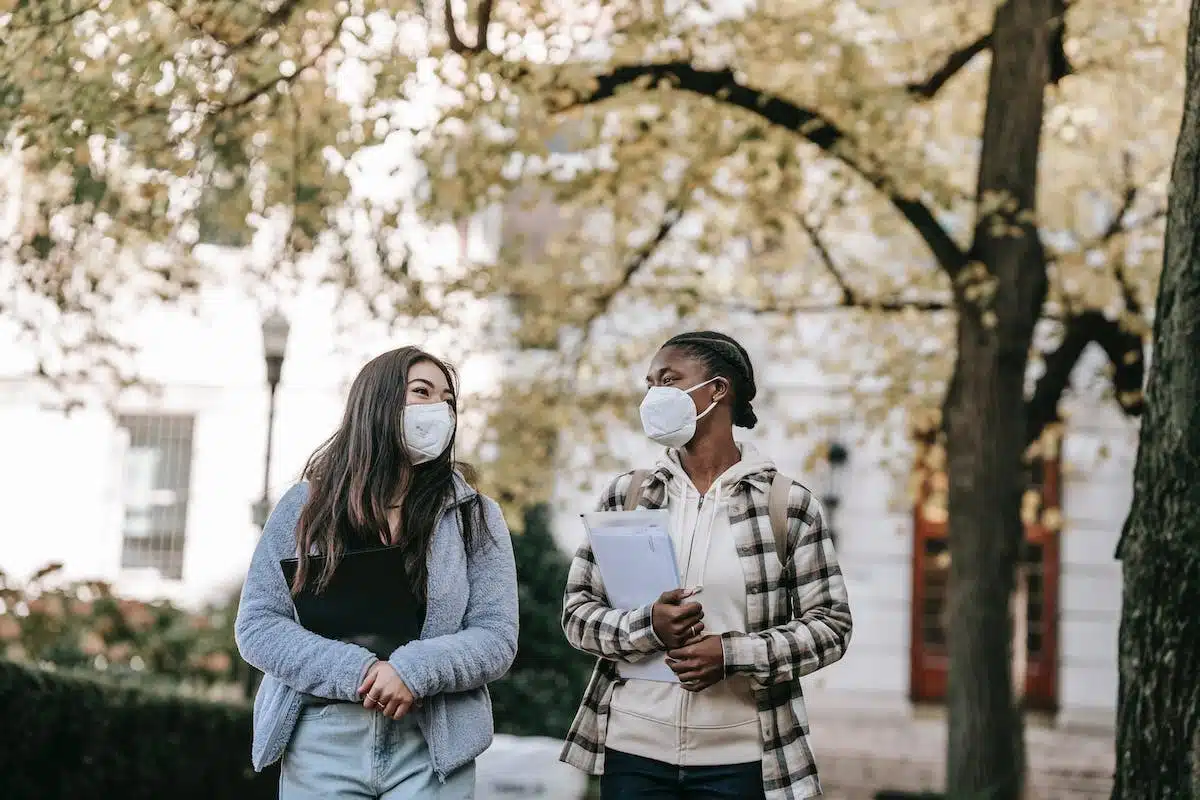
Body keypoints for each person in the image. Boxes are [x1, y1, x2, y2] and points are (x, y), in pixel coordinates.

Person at [560, 331, 853, 800]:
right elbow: (576, 616)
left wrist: (730, 655)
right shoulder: (627, 495)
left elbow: (832, 627)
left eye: (669, 380)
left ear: (718, 390)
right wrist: (649, 625)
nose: (653, 395)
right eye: (650, 383)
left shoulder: (787, 505)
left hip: (739, 760)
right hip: (632, 754)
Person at [235, 346, 519, 800]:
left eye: (447, 400)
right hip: (322, 740)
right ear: (378, 402)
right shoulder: (304, 507)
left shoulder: (475, 516)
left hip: (432, 746)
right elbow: (259, 626)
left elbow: (496, 637)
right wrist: (362, 672)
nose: (438, 410)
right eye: (421, 392)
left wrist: (412, 671)